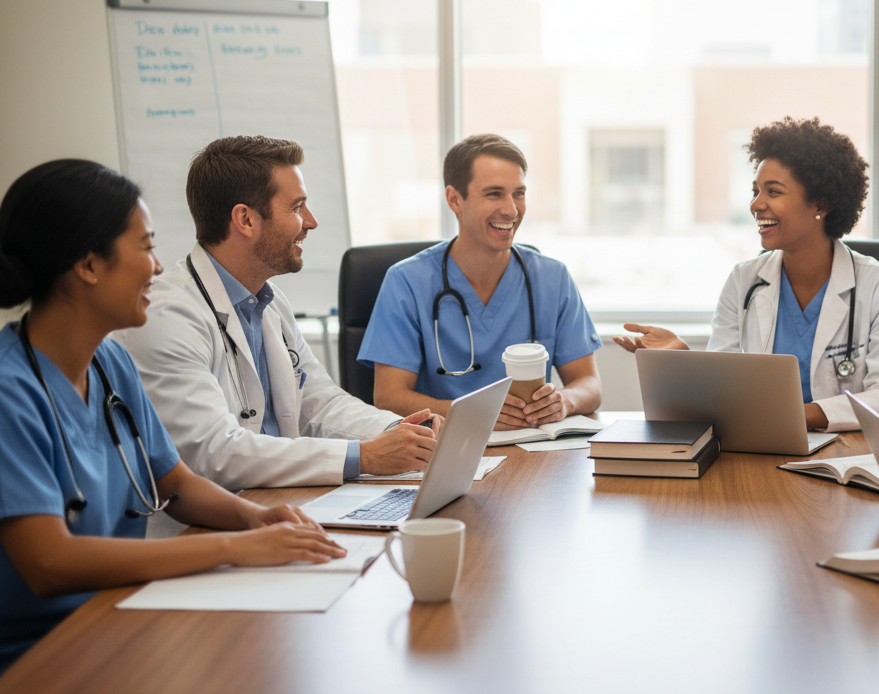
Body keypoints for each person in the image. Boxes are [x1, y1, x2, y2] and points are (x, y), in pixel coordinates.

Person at [0, 160, 348, 671]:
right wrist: (237, 547)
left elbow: (175, 483)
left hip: (119, 615)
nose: (159, 267)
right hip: (42, 654)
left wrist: (258, 519)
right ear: (89, 265)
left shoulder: (110, 362)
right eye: (145, 247)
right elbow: (50, 563)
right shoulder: (11, 392)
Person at [115, 136, 440, 490]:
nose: (311, 222)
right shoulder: (167, 316)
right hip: (198, 532)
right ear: (246, 220)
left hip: (276, 506)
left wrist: (399, 432)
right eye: (297, 207)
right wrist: (365, 457)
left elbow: (317, 403)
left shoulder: (270, 302)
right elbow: (214, 451)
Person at [613, 116, 879, 432]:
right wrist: (684, 359)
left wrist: (796, 415)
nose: (756, 205)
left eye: (773, 192)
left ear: (821, 204)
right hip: (761, 447)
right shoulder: (744, 281)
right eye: (756, 191)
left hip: (848, 452)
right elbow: (723, 391)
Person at [359, 134, 603, 431]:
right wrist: (473, 413)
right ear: (454, 199)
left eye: (519, 193)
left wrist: (565, 401)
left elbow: (589, 384)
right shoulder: (407, 282)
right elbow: (388, 397)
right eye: (494, 194)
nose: (512, 210)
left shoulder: (552, 278)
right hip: (447, 450)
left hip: (535, 453)